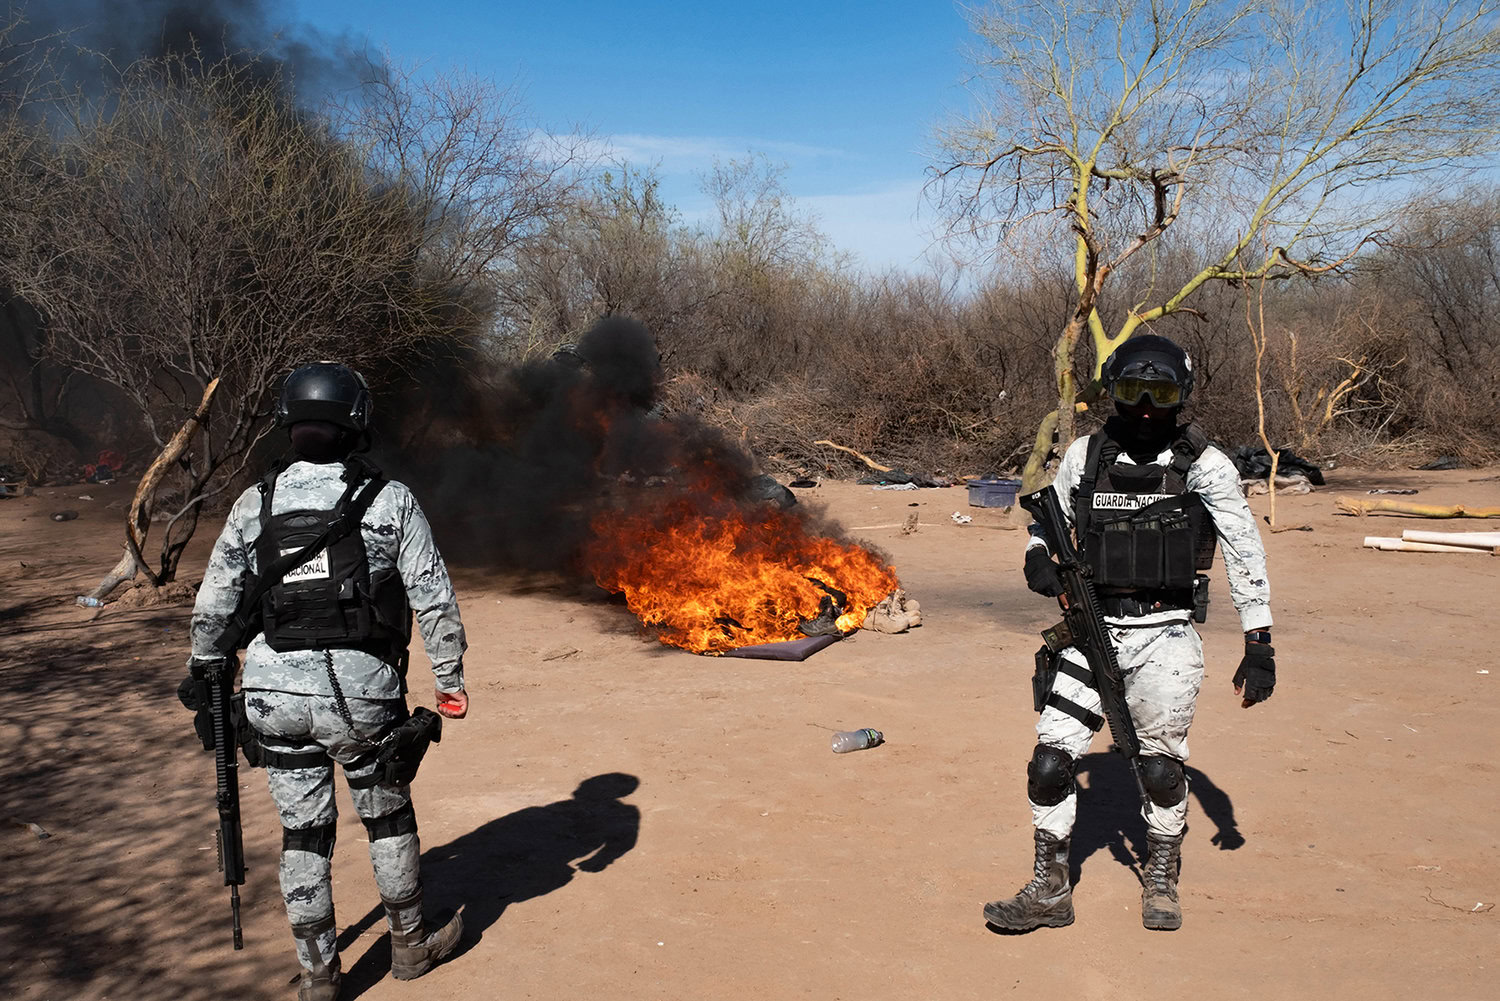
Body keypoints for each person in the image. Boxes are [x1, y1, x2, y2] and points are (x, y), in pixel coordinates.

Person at [186, 362, 469, 1000]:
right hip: (361, 696)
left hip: (272, 696)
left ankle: (318, 976)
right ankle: (410, 945)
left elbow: (214, 606)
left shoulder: (255, 502)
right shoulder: (389, 498)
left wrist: (204, 673)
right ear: (358, 421)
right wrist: (449, 680)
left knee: (304, 834)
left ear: (291, 422)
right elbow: (434, 598)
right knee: (386, 816)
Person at [984, 334, 1276, 933]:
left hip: (1165, 634)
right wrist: (1038, 556)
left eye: (1161, 393)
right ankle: (1049, 888)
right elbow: (1052, 524)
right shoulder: (1084, 457)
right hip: (1089, 631)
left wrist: (1259, 641)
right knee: (1048, 763)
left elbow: (1245, 553)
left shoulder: (1206, 465)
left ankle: (1161, 871)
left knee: (1160, 770)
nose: (1145, 406)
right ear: (1111, 392)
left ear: (1183, 396)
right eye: (1131, 391)